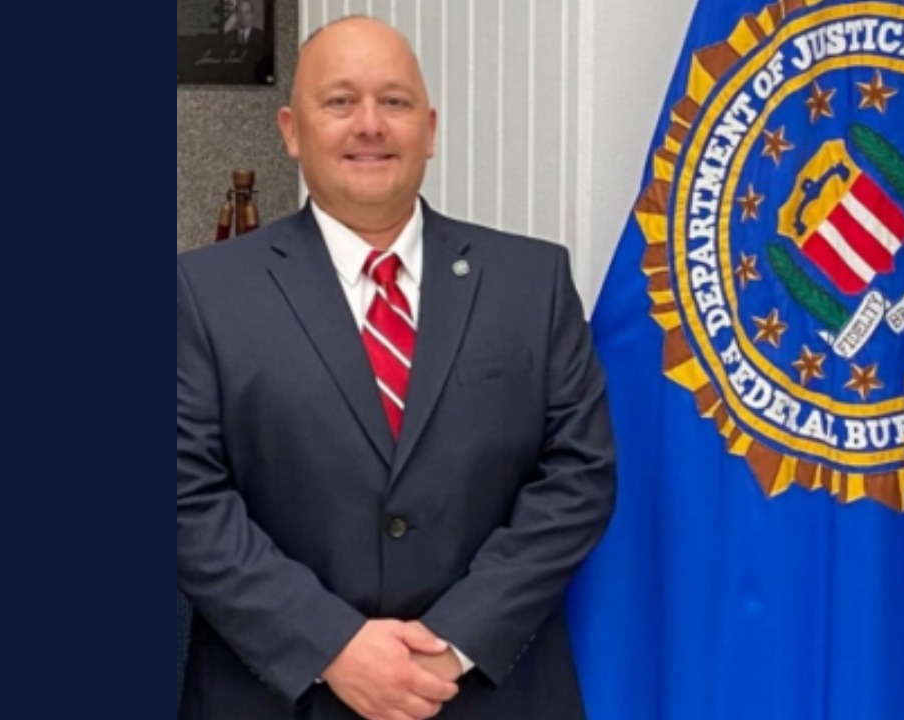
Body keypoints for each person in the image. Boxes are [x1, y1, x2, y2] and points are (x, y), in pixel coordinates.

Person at [177, 15, 617, 720]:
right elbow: (187, 501)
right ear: (291, 130)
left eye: (395, 102)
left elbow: (578, 477)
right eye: (340, 102)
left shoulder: (532, 283)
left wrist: (452, 643)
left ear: (430, 128)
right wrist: (332, 646)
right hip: (278, 695)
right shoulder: (202, 294)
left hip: (485, 693)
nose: (370, 125)